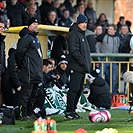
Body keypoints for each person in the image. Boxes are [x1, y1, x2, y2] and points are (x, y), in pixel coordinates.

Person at [16, 17, 43, 120]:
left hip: (36, 72)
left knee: (33, 95)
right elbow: (19, 53)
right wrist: (22, 66)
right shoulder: (26, 38)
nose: (36, 25)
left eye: (37, 24)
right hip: (29, 72)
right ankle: (23, 114)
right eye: (34, 24)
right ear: (29, 25)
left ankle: (30, 113)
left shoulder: (35, 38)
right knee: (26, 94)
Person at [65, 14, 91, 119]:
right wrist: (83, 62)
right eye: (83, 22)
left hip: (81, 68)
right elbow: (74, 51)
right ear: (78, 23)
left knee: (79, 89)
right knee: (74, 89)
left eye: (86, 23)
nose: (84, 25)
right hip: (76, 67)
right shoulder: (74, 34)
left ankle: (73, 110)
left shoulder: (81, 34)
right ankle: (69, 111)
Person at [96, 24, 120, 94]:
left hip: (114, 61)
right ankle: (102, 93)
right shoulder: (103, 36)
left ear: (115, 31)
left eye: (111, 29)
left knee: (113, 79)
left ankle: (112, 94)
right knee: (101, 77)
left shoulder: (117, 38)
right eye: (108, 29)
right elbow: (97, 47)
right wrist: (98, 58)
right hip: (104, 60)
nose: (109, 30)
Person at [0, 20, 6, 106]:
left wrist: (3, 67)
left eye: (3, 27)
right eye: (0, 27)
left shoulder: (2, 41)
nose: (1, 29)